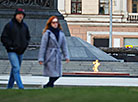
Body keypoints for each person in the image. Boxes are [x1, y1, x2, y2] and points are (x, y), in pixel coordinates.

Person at [1, 8, 30, 89]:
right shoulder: (9, 25)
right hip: (12, 51)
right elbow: (4, 37)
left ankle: (9, 87)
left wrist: (25, 45)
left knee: (14, 69)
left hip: (21, 51)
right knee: (16, 68)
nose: (21, 16)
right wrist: (10, 46)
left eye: (22, 15)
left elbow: (27, 37)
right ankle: (21, 87)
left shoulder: (25, 26)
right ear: (16, 15)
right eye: (19, 14)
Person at [38, 16, 70, 88]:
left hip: (57, 56)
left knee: (57, 74)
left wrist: (66, 56)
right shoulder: (47, 33)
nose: (55, 24)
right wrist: (41, 58)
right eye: (53, 22)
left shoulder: (61, 33)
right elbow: (43, 46)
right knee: (52, 73)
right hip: (49, 55)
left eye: (56, 22)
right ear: (50, 23)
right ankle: (49, 85)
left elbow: (64, 46)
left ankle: (48, 85)